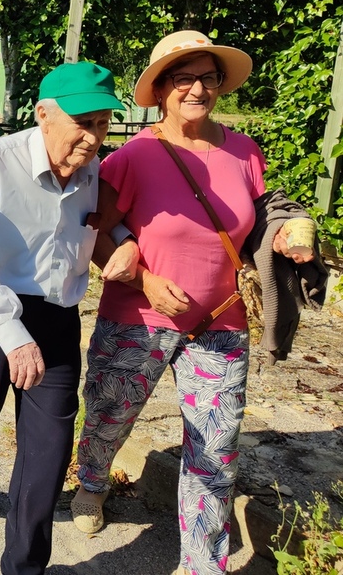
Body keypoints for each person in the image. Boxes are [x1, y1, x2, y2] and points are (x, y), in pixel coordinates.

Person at [70, 31, 313, 575]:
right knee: (110, 417)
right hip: (137, 320)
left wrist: (286, 232)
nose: (197, 88)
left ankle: (204, 562)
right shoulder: (132, 158)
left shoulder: (244, 151)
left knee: (216, 450)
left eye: (208, 76)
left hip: (221, 323)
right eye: (184, 78)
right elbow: (95, 234)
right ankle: (90, 482)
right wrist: (148, 282)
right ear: (160, 89)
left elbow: (256, 218)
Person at [0, 61, 129, 575]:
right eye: (82, 122)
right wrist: (14, 336)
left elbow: (110, 220)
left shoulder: (96, 171)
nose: (93, 137)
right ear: (44, 114)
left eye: (103, 123)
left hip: (58, 312)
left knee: (48, 448)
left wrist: (125, 245)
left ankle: (24, 566)